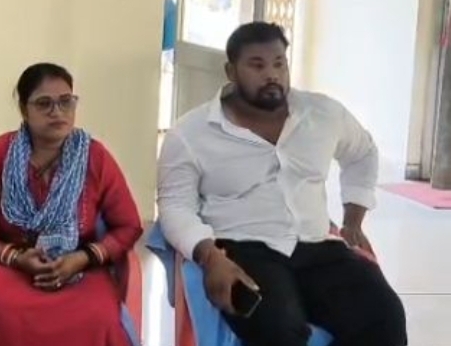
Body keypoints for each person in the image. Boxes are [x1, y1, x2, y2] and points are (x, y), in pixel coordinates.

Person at [156, 21, 407, 346]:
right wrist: (211, 257)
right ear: (231, 71)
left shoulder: (322, 114)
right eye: (257, 65)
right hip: (244, 248)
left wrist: (353, 220)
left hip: (318, 246)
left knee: (384, 314)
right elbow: (175, 206)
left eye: (279, 64)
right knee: (278, 328)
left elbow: (363, 152)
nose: (271, 75)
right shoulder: (191, 132)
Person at [0, 63, 144, 346]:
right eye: (44, 103)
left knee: (99, 317)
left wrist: (82, 259)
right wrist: (14, 257)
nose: (57, 111)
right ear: (24, 110)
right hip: (10, 267)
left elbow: (128, 226)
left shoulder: (95, 156)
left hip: (79, 269)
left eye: (66, 101)